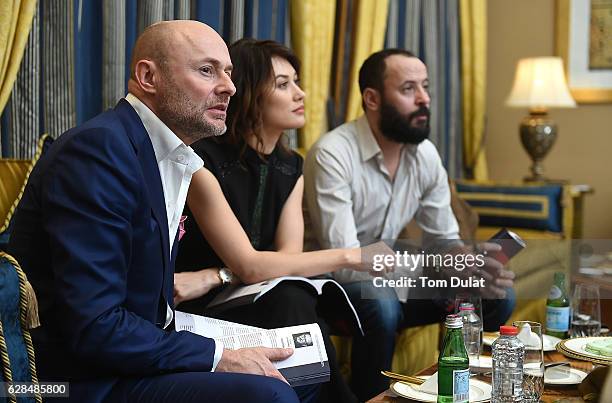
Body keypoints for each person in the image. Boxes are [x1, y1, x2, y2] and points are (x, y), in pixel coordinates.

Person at [8, 21, 300, 403]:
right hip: (73, 380)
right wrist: (219, 356)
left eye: (228, 73)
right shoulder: (99, 152)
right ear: (148, 76)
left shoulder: (169, 154)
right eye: (206, 70)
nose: (229, 86)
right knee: (269, 394)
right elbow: (95, 326)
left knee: (302, 369)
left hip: (133, 355)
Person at [303, 48, 516, 401]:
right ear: (372, 99)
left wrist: (465, 261)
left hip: (394, 280)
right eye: (408, 89)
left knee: (495, 291)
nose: (424, 99)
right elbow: (348, 260)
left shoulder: (425, 154)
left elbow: (444, 237)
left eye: (425, 86)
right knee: (381, 301)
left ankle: (479, 391)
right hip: (334, 286)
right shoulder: (333, 154)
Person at [175, 38, 360, 403]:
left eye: (297, 81)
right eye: (282, 84)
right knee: (296, 305)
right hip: (196, 303)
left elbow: (285, 260)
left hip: (252, 294)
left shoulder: (291, 165)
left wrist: (234, 273)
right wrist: (349, 256)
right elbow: (251, 264)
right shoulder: (202, 161)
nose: (300, 94)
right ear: (249, 95)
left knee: (294, 298)